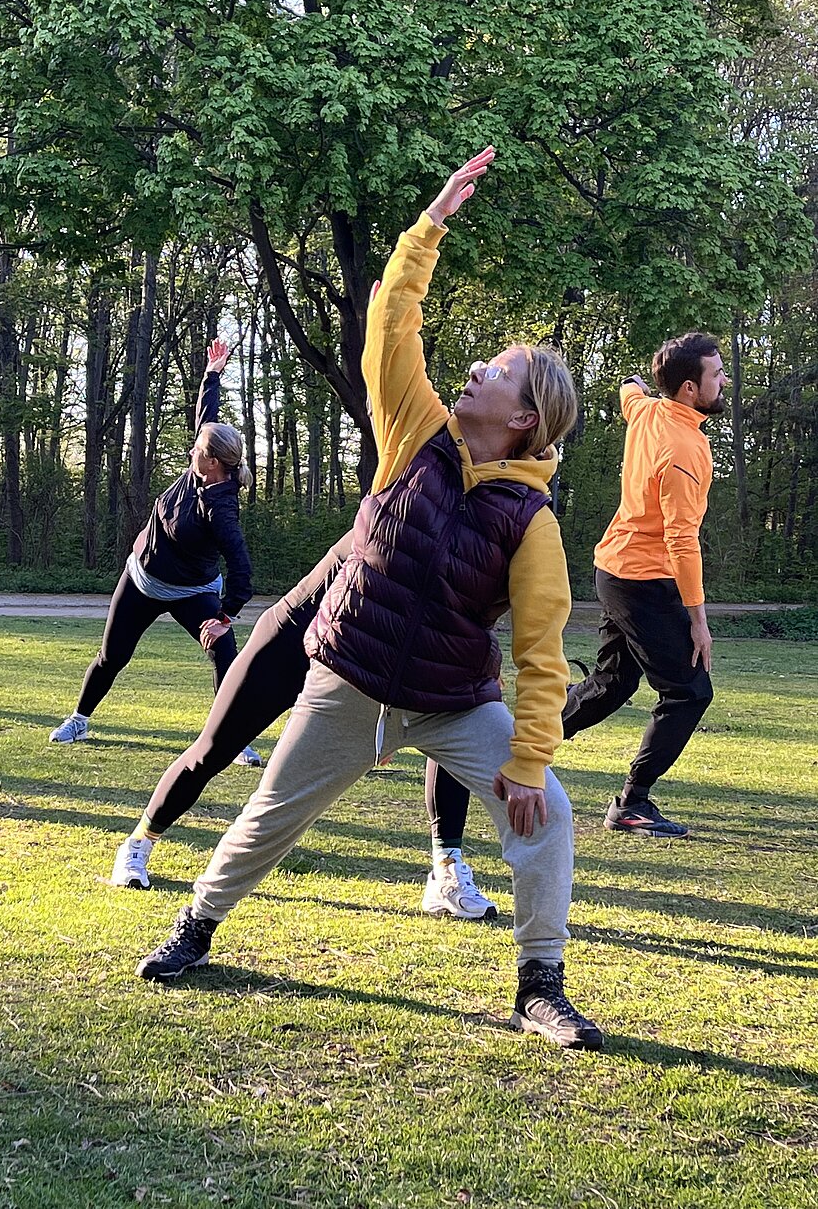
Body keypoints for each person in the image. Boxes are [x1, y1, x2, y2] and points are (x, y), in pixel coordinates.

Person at [135, 148, 603, 1051]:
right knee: (270, 813)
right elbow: (393, 319)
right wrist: (429, 225)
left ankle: (538, 983)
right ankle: (197, 927)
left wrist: (532, 760)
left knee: (549, 819)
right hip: (347, 679)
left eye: (496, 371)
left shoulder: (531, 521)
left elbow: (542, 654)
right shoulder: (414, 433)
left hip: (452, 701)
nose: (474, 371)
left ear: (525, 419)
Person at [109, 529, 499, 921]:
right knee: (213, 750)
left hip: (362, 664)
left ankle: (446, 869)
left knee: (455, 720)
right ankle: (140, 841)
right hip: (293, 637)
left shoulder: (490, 529)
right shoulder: (405, 494)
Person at [49, 338, 258, 764]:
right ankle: (79, 719)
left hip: (191, 591)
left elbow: (243, 572)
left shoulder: (220, 509)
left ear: (215, 462)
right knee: (112, 657)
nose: (191, 452)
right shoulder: (203, 466)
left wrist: (223, 617)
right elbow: (207, 417)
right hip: (142, 580)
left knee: (225, 652)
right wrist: (212, 373)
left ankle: (231, 741)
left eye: (198, 451)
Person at [561, 336, 727, 838]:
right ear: (689, 389)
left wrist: (636, 383)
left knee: (613, 684)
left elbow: (627, 390)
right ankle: (632, 803)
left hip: (617, 571)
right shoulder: (681, 450)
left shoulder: (649, 411)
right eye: (717, 376)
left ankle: (516, 745)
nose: (725, 382)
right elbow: (682, 539)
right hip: (642, 581)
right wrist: (699, 622)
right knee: (689, 691)